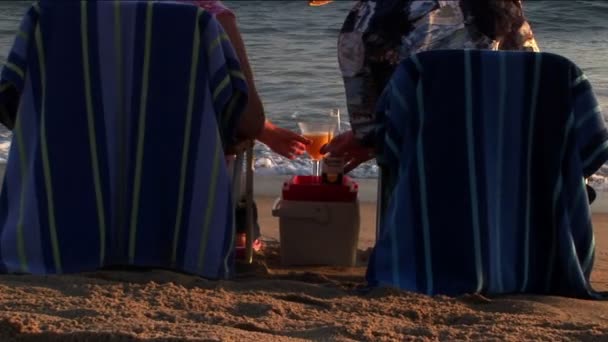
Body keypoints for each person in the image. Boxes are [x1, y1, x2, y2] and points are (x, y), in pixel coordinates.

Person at [322, 0, 540, 172]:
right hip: (523, 160)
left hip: (433, 173)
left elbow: (374, 133)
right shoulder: (503, 7)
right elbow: (535, 77)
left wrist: (364, 140)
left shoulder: (364, 22)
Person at [187, 0, 311, 160]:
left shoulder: (146, 12)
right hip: (195, 166)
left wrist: (267, 131)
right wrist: (261, 129)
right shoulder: (210, 14)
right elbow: (250, 120)